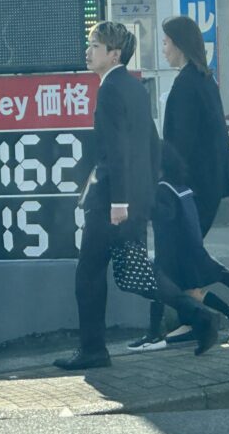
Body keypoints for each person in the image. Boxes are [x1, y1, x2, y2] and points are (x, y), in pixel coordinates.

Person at [53, 22, 220, 371]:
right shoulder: (133, 87)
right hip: (135, 200)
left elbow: (117, 150)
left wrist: (119, 202)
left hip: (112, 203)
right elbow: (151, 145)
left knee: (88, 275)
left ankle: (93, 350)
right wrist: (145, 194)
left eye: (94, 45)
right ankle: (201, 317)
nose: (88, 51)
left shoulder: (111, 89)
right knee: (135, 273)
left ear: (114, 54)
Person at [128, 16, 229, 351]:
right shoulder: (203, 79)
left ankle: (204, 317)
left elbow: (181, 145)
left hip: (187, 190)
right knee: (183, 260)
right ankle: (226, 305)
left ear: (179, 44)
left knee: (174, 261)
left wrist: (161, 179)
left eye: (165, 42)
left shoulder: (186, 86)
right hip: (204, 187)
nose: (162, 49)